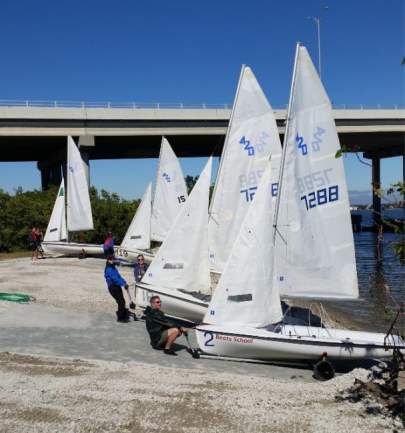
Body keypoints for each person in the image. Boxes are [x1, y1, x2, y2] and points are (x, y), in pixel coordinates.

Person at [104, 254, 130, 323]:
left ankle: (123, 314)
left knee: (121, 301)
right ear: (108, 260)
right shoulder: (109, 269)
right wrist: (123, 284)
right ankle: (120, 318)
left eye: (113, 259)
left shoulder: (113, 267)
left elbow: (118, 276)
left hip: (117, 286)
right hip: (113, 288)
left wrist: (125, 282)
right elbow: (115, 279)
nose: (113, 260)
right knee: (121, 301)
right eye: (111, 259)